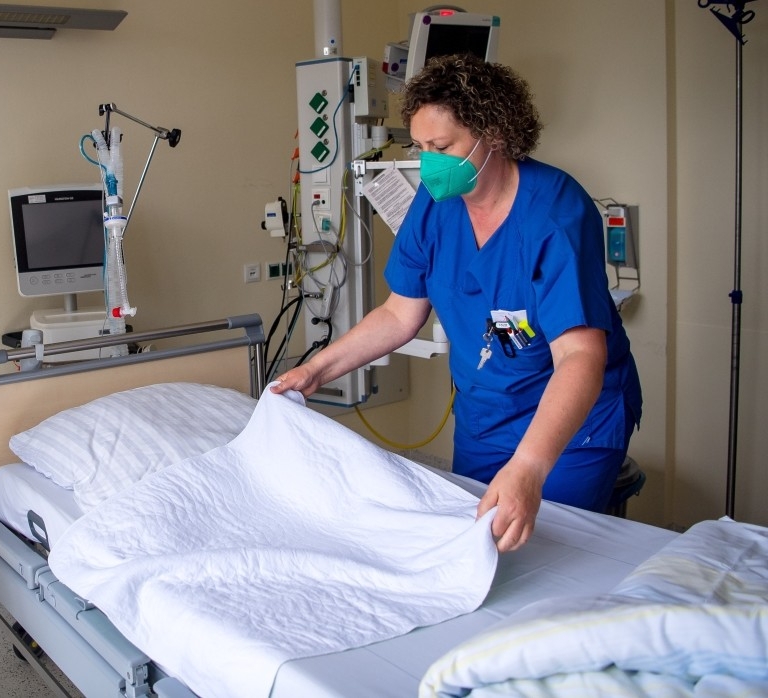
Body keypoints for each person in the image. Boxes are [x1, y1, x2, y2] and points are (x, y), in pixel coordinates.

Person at [271, 55, 641, 553]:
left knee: (547, 557)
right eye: (420, 148)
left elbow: (579, 356)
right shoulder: (434, 205)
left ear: (496, 134)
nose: (429, 164)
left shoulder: (555, 215)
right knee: (477, 549)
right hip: (485, 417)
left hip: (572, 428)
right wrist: (318, 370)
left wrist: (530, 465)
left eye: (442, 147)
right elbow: (399, 314)